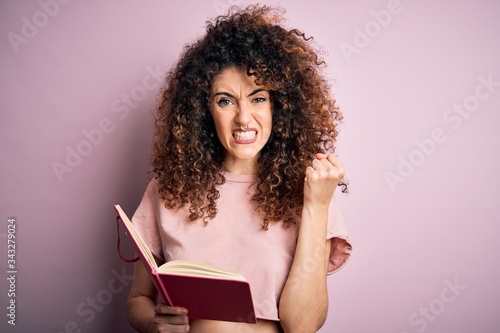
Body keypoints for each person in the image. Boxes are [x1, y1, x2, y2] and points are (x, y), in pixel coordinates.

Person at [126, 5, 352, 333]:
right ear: (205, 110)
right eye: (225, 101)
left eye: (258, 99)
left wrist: (316, 205)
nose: (243, 118)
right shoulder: (167, 190)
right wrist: (154, 321)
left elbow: (301, 326)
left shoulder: (313, 191)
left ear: (281, 107)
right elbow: (137, 301)